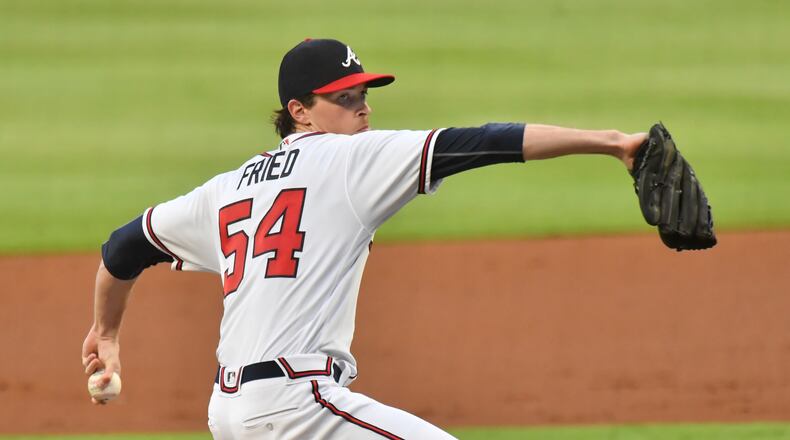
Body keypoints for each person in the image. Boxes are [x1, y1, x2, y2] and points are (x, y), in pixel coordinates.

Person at [82, 38, 647, 439]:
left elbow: (123, 248)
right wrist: (613, 143)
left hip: (229, 414)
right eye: (345, 98)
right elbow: (483, 142)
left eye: (362, 93)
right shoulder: (350, 160)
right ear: (300, 112)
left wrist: (105, 333)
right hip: (297, 408)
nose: (364, 108)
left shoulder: (227, 189)